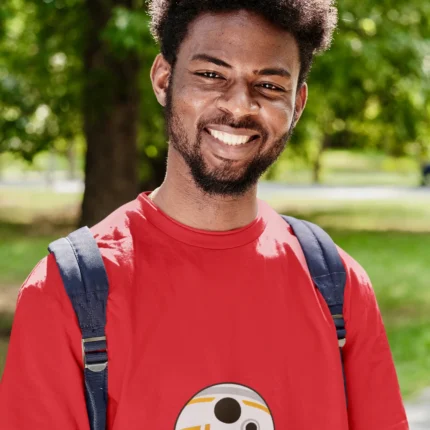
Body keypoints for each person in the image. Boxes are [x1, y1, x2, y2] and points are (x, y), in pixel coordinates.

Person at [0, 1, 409, 429]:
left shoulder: (338, 286)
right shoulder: (66, 293)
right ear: (164, 79)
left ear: (298, 103)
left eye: (269, 85)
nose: (238, 106)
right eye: (212, 75)